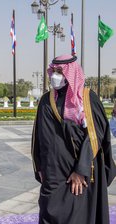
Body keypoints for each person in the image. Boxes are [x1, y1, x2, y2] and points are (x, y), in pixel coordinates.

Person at [31, 54, 116, 224]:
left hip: (78, 173)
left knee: (78, 215)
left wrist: (81, 170)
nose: (55, 76)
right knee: (49, 211)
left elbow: (94, 137)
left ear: (71, 73)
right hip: (53, 173)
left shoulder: (86, 99)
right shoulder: (46, 101)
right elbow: (38, 137)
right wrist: (39, 166)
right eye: (53, 71)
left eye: (60, 72)